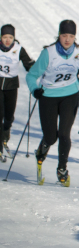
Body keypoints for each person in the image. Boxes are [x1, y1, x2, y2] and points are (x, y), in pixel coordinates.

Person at [26, 20, 79, 186]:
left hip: (70, 96)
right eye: (64, 35)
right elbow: (31, 75)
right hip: (48, 97)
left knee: (64, 134)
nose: (67, 39)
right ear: (59, 35)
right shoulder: (48, 53)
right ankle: (42, 150)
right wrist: (35, 89)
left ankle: (62, 168)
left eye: (71, 36)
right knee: (51, 137)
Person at [0, 24, 35, 158]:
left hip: (12, 86)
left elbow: (28, 63)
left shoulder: (18, 49)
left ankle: (5, 134)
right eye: (4, 37)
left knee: (9, 115)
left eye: (10, 37)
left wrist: (33, 68)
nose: (7, 40)